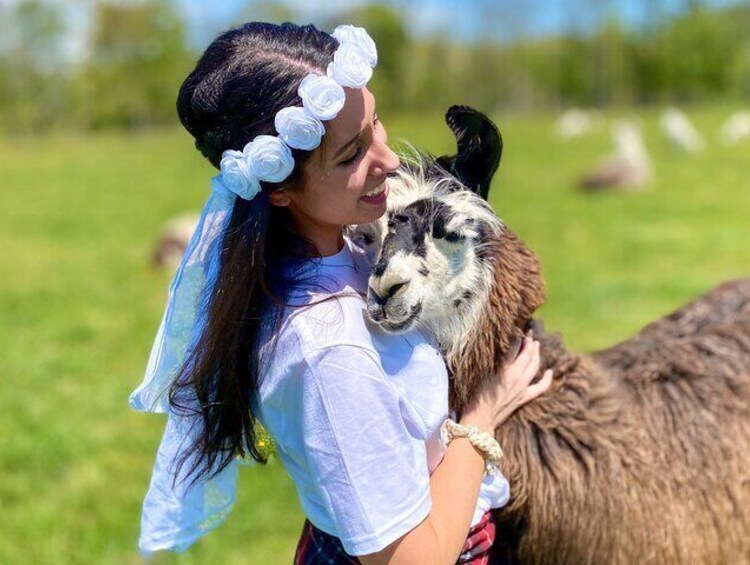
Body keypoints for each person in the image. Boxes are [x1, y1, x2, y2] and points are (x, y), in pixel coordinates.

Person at [130, 22, 552, 564]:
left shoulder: (346, 249)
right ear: (280, 190)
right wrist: (482, 417)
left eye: (376, 124)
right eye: (352, 154)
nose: (390, 160)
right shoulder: (329, 352)